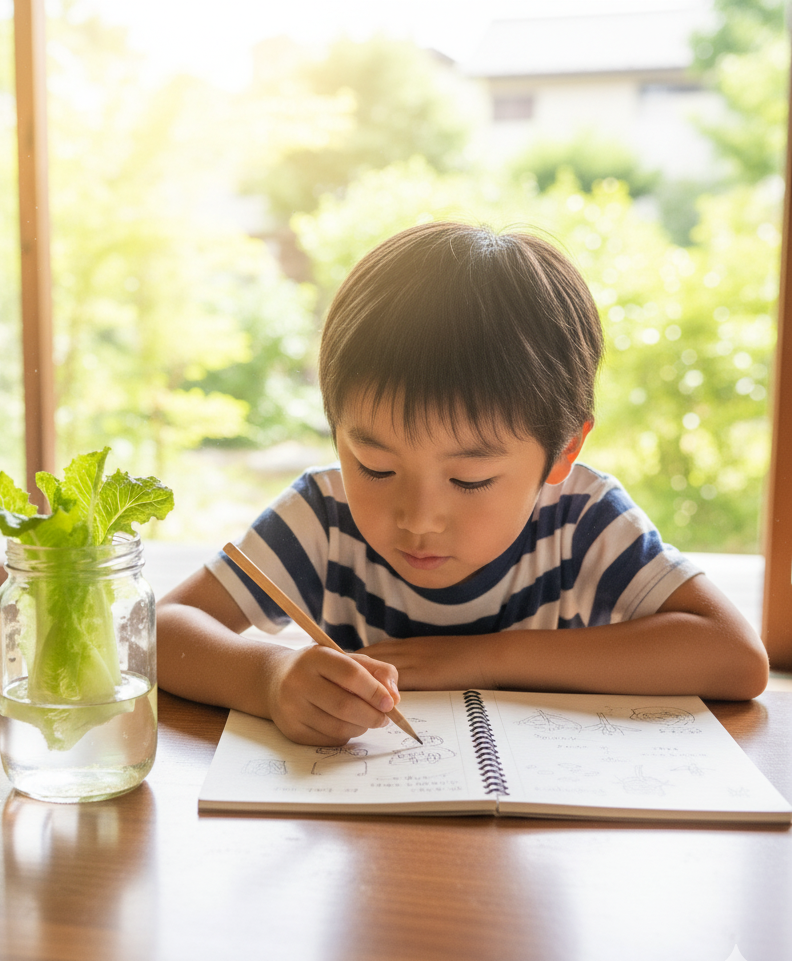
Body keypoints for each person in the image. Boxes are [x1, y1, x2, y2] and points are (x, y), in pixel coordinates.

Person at [156, 221, 769, 745]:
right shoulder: (322, 517)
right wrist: (269, 677)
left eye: (471, 479)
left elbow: (735, 659)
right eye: (375, 466)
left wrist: (482, 657)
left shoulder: (582, 519)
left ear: (564, 451)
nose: (418, 518)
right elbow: (159, 628)